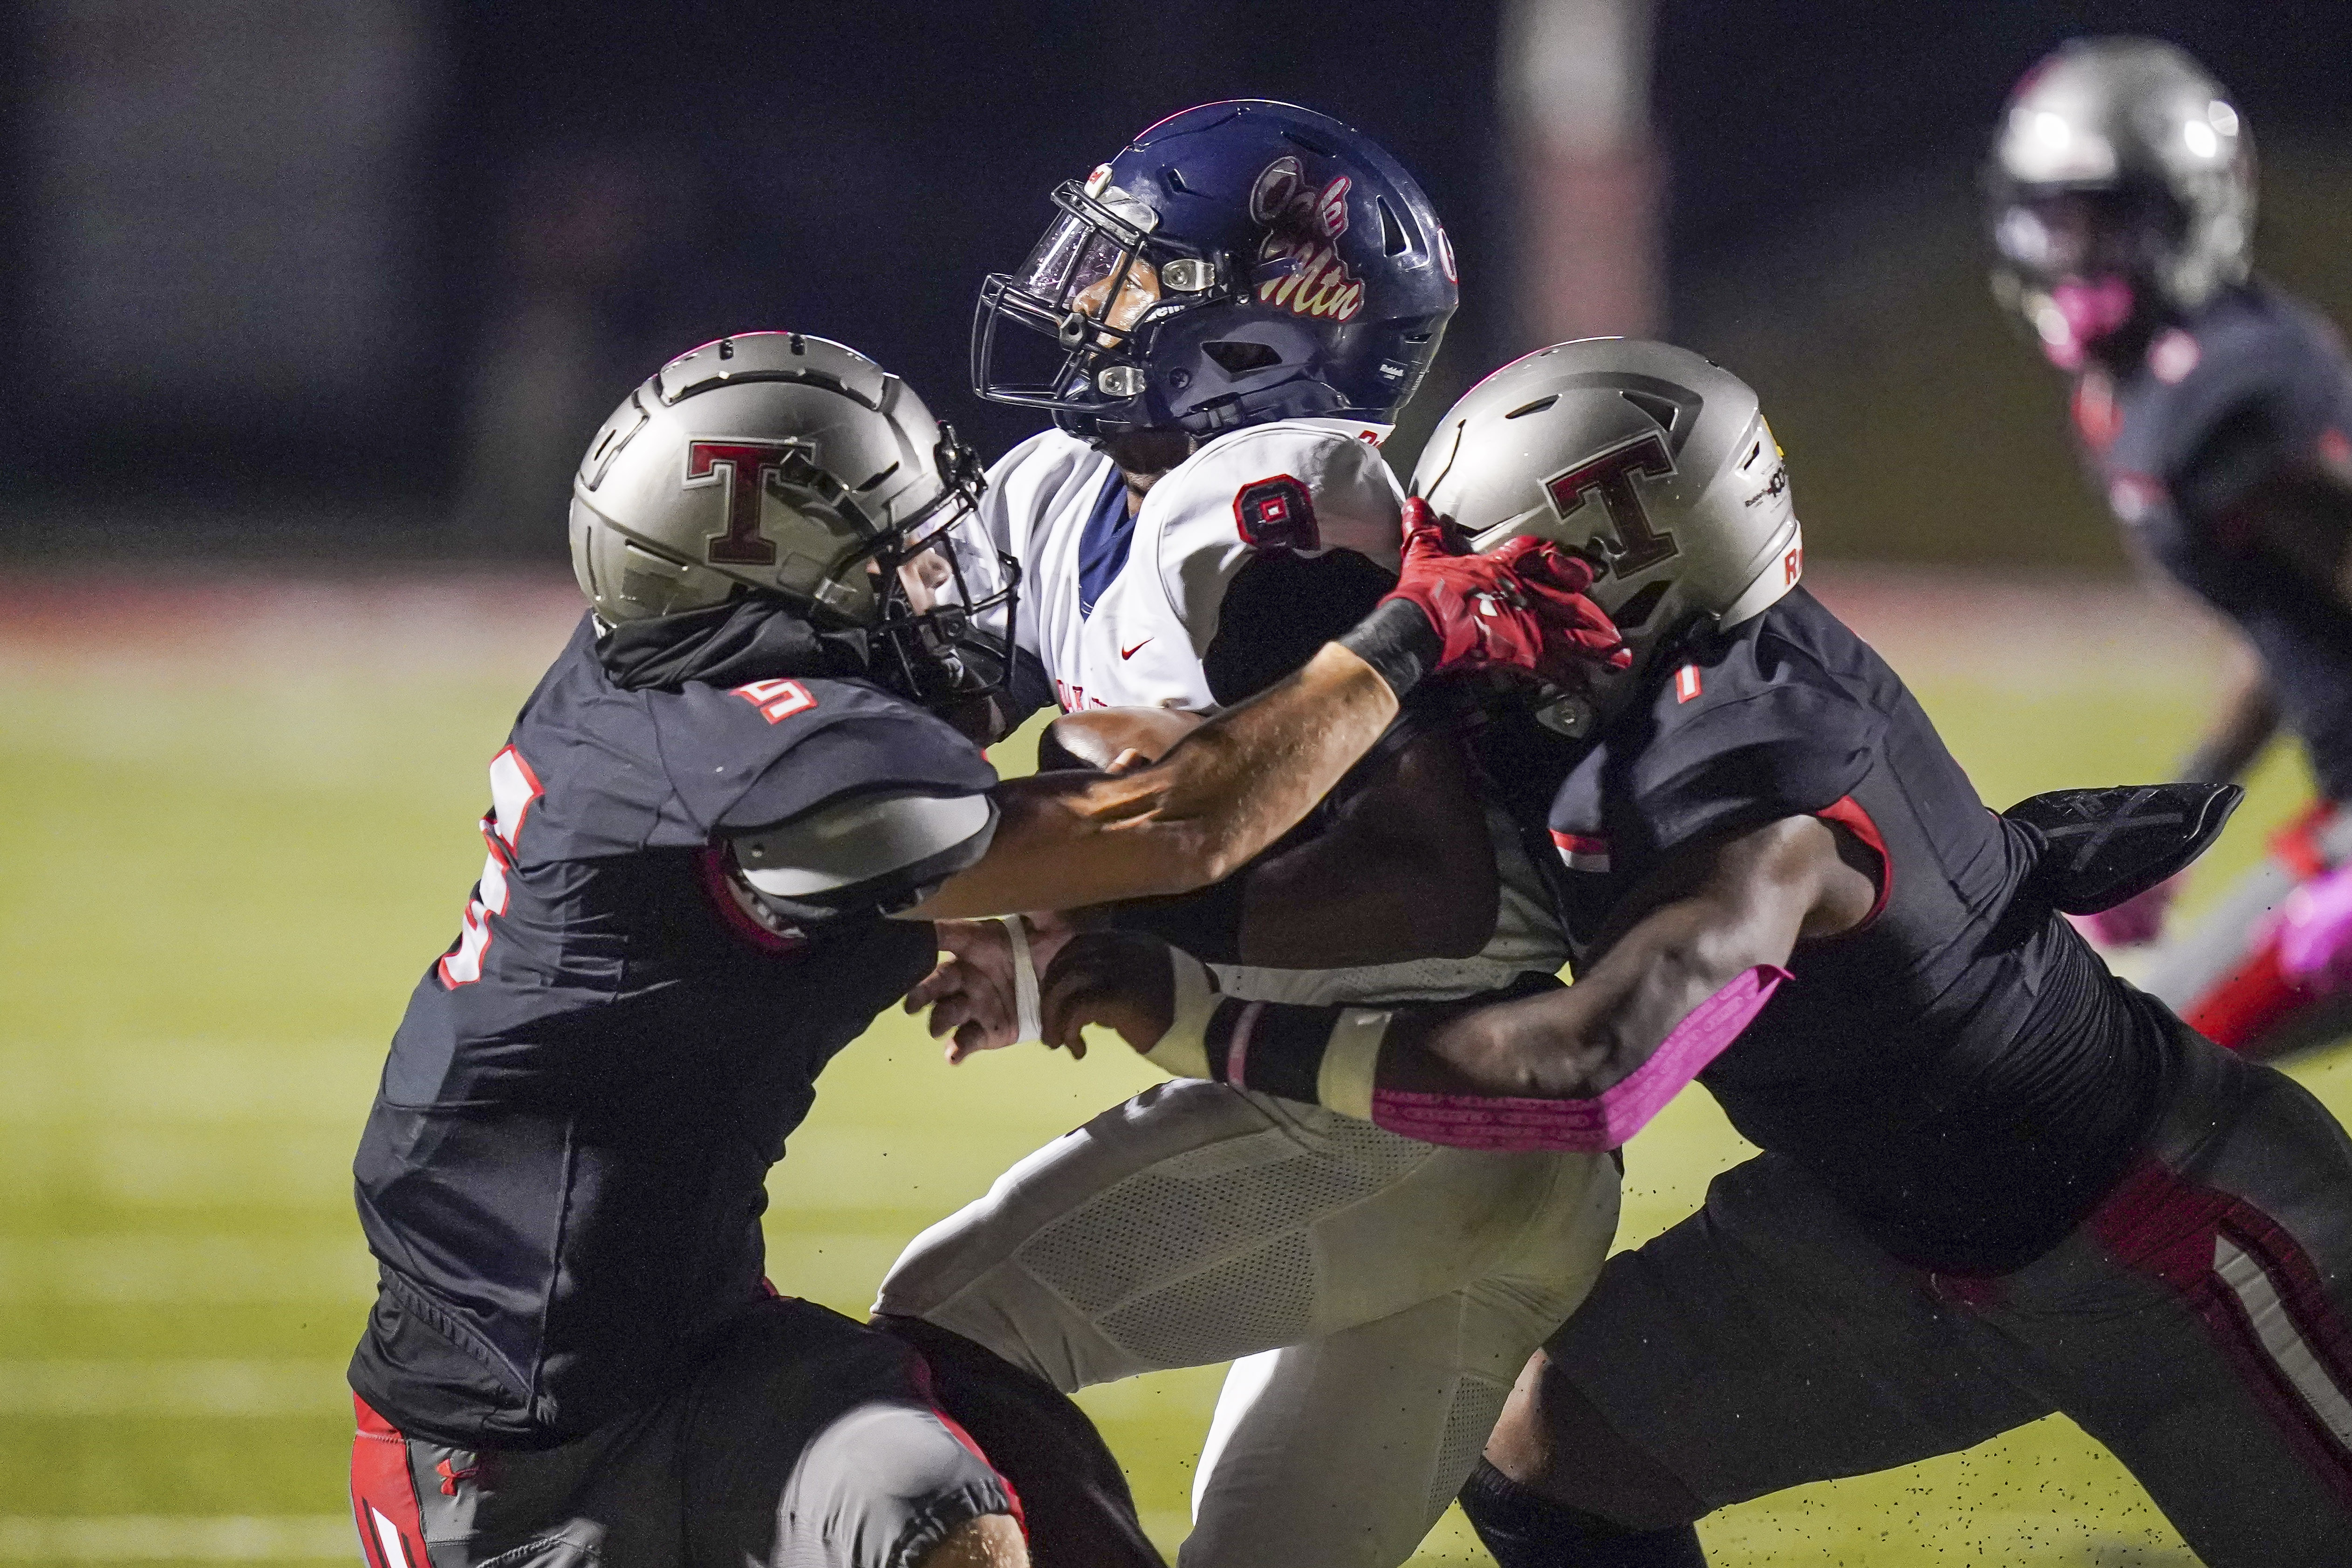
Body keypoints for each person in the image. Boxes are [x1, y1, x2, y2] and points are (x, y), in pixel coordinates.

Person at [1037, 339, 2352, 1568]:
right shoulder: (1628, 662)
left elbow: (1590, 1069)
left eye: (1466, 554)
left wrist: (1210, 1022)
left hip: (2172, 1233)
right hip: (1884, 1232)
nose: (1429, 585)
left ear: (1614, 568)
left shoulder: (1762, 789)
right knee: (1554, 1456)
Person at [342, 329, 1619, 1568]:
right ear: (792, 568)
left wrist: (998, 910)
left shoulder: (661, 683)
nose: (939, 576)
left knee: (951, 1504)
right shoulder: (776, 764)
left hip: (717, 1344)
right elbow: (1179, 824)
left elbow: (806, 872)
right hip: (503, 1435)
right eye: (894, 551)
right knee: (963, 1328)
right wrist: (1405, 636)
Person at [875, 101, 1620, 1568]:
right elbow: (914, 740)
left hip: (1415, 1097)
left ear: (1259, 328)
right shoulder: (1069, 487)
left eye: (1132, 273)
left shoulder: (1278, 505)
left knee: (944, 1341)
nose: (1080, 295)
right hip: (1437, 1131)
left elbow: (1431, 885)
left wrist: (1106, 921)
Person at [1990, 37, 2352, 1053]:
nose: (2072, 253)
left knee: (2139, 1065)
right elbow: (2291, 629)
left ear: (2185, 210)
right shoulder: (2150, 391)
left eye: (2103, 219)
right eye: (2052, 218)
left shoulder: (2223, 398)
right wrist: (2180, 817)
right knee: (2145, 1056)